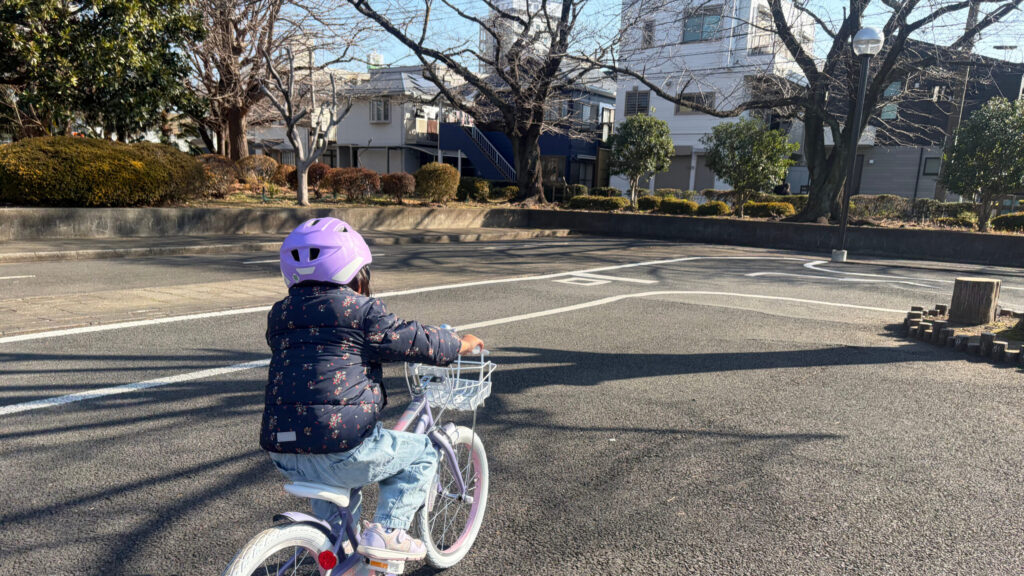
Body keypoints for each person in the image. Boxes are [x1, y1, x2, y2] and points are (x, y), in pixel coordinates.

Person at [261, 217, 484, 562]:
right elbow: (412, 339)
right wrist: (458, 344)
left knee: (339, 516)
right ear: (355, 272)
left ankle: (342, 554)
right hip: (341, 447)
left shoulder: (280, 315)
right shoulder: (360, 311)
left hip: (284, 450)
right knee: (423, 452)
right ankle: (389, 532)